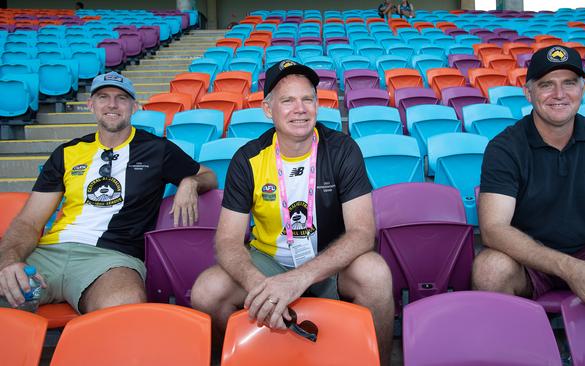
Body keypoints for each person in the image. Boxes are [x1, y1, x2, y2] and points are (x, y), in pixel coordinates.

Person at [191, 60, 394, 365]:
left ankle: (376, 360)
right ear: (268, 110)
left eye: (308, 99)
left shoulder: (343, 149)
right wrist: (262, 286)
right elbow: (228, 241)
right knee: (207, 290)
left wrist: (300, 279)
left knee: (376, 274)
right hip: (269, 262)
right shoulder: (247, 158)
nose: (300, 109)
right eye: (287, 100)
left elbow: (363, 233)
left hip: (329, 260)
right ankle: (235, 356)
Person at [0, 72, 217, 314]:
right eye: (103, 97)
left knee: (125, 304)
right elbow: (29, 221)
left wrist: (189, 182)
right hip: (49, 253)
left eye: (121, 98)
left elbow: (208, 175)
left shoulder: (157, 149)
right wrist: (9, 262)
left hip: (111, 259)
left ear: (134, 107)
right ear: (91, 105)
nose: (112, 104)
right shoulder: (67, 152)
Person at [474, 45, 585, 316]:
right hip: (528, 258)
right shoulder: (505, 147)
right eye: (546, 85)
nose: (559, 94)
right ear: (528, 92)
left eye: (569, 83)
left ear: (584, 87)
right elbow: (494, 229)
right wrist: (571, 268)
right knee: (490, 268)